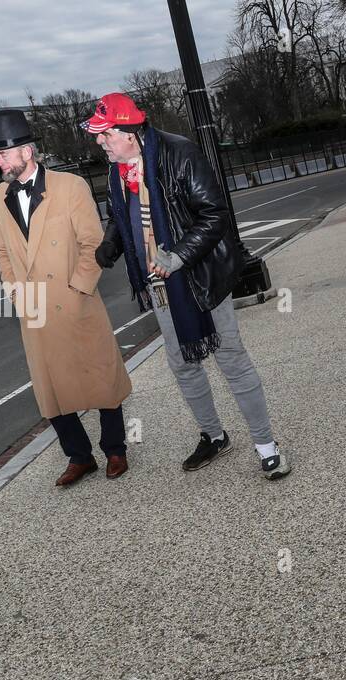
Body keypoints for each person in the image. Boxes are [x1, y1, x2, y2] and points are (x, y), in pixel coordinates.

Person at [82, 92, 291, 480]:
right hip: (159, 283)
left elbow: (214, 214)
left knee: (230, 357)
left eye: (104, 134)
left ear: (129, 131)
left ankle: (267, 445)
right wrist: (113, 240)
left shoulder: (180, 154)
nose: (99, 142)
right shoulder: (117, 168)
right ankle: (214, 435)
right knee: (183, 363)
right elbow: (119, 213)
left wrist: (178, 256)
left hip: (199, 275)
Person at [0, 109, 132, 487]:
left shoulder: (70, 186)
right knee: (50, 389)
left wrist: (80, 287)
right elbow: (2, 253)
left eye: (3, 154)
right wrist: (16, 293)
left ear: (26, 152)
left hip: (74, 301)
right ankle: (79, 457)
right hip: (34, 307)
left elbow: (91, 243)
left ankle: (115, 449)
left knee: (100, 377)